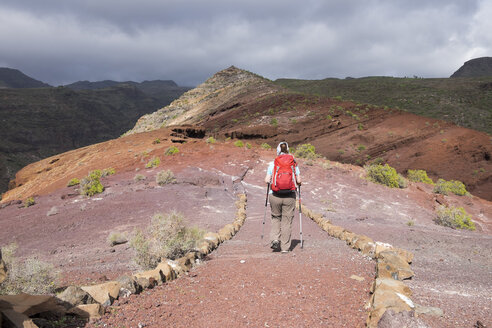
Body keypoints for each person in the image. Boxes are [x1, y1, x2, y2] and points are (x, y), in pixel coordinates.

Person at [264, 142, 301, 253]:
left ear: (277, 150)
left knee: (276, 218)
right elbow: (299, 181)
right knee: (287, 221)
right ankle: (285, 248)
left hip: (275, 195)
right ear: (288, 150)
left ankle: (275, 239)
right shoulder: (293, 164)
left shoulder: (273, 163)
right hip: (289, 196)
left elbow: (266, 180)